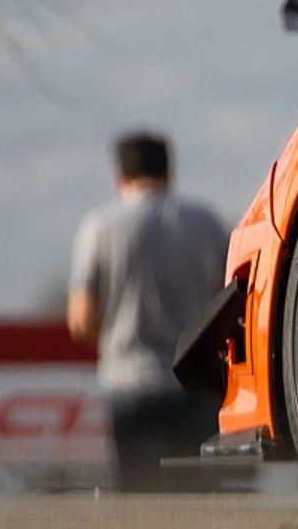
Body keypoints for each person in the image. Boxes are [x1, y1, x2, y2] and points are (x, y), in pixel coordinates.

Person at [68, 131, 227, 492]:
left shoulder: (100, 227)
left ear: (119, 175)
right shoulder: (207, 223)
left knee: (140, 498)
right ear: (170, 172)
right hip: (195, 380)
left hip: (128, 380)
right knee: (196, 499)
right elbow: (229, 301)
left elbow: (81, 320)